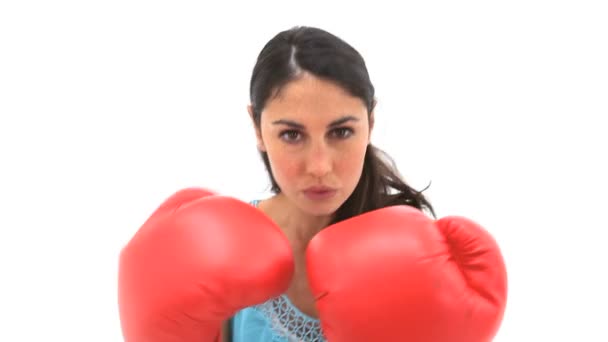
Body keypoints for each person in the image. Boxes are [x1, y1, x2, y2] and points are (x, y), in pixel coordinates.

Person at [117, 26, 508, 342]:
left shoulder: (416, 254)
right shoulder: (217, 249)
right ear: (257, 127)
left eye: (340, 132)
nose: (319, 166)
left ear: (370, 123)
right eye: (292, 135)